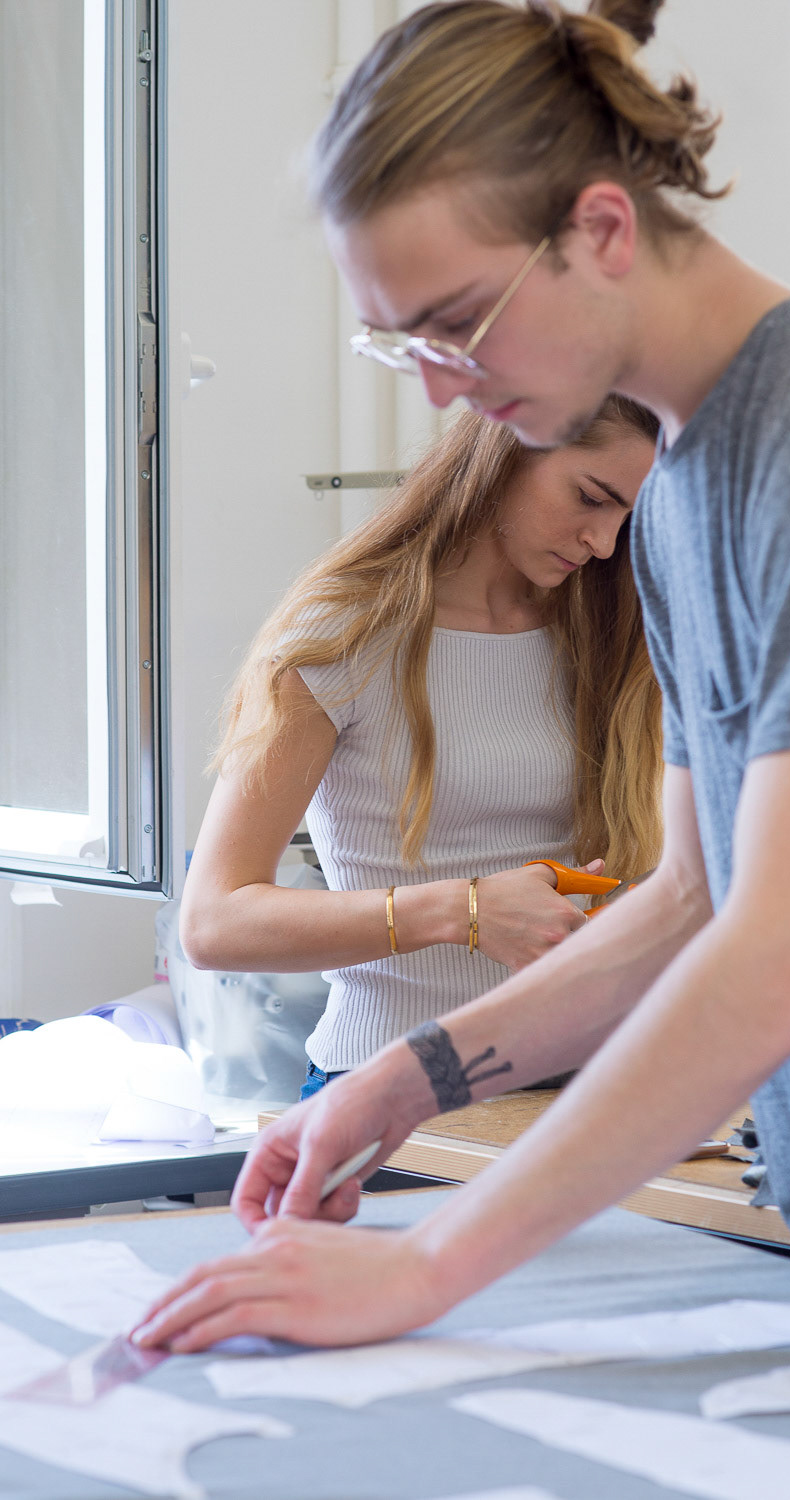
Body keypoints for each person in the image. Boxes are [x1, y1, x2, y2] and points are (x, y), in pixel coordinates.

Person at [135, 0, 790, 1355]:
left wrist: (425, 1270)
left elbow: (782, 961)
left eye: (454, 325)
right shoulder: (681, 492)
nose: (435, 390)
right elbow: (686, 900)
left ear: (600, 231)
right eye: (397, 344)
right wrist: (393, 1091)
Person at [179, 399, 660, 1100]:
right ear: (506, 450)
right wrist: (462, 912)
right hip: (390, 1090)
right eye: (590, 498)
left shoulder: (608, 628)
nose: (604, 543)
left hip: (584, 1083)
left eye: (630, 520)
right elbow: (214, 921)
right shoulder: (342, 635)